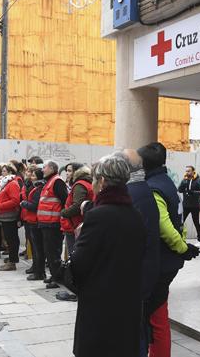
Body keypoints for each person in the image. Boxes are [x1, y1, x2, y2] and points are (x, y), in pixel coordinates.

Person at [70, 153, 146, 357]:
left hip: (100, 307)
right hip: (128, 304)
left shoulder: (97, 216)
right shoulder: (135, 215)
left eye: (94, 179)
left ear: (102, 182)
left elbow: (78, 266)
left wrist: (78, 239)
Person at [138, 142, 200, 357]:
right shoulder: (167, 182)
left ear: (143, 164)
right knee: (159, 313)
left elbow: (164, 226)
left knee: (156, 318)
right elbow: (179, 222)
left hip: (161, 261)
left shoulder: (153, 187)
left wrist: (183, 248)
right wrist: (183, 247)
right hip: (169, 260)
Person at [123, 149, 161, 356]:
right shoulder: (140, 190)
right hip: (140, 273)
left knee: (136, 329)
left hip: (137, 276)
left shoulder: (135, 194)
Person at [36, 161, 68, 288]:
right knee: (49, 252)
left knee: (53, 252)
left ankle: (57, 278)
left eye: (44, 167)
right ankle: (54, 275)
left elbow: (65, 200)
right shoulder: (50, 181)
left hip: (53, 224)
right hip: (46, 223)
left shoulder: (57, 181)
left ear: (52, 168)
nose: (42, 170)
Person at [0, 164, 23, 271]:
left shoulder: (13, 184)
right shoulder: (6, 183)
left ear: (10, 172)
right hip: (5, 216)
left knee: (11, 240)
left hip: (9, 216)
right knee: (9, 239)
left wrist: (0, 206)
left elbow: (15, 201)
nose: (2, 173)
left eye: (5, 171)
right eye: (2, 171)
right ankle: (11, 259)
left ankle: (12, 262)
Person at [60, 165, 93, 254]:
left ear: (76, 172)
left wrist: (63, 212)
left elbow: (77, 206)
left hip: (74, 225)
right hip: (79, 224)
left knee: (74, 254)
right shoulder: (87, 183)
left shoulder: (80, 185)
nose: (67, 173)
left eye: (70, 171)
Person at [21, 167, 45, 280]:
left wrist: (24, 203)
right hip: (31, 219)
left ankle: (39, 272)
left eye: (34, 175)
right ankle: (36, 268)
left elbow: (34, 206)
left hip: (35, 220)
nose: (31, 177)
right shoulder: (35, 188)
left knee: (37, 248)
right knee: (35, 247)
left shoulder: (38, 189)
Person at [178, 165, 200, 247]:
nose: (187, 172)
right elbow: (179, 190)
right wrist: (183, 183)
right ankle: (179, 238)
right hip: (185, 205)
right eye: (186, 171)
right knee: (180, 222)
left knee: (196, 222)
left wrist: (193, 192)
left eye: (189, 171)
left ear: (193, 171)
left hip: (195, 205)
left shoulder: (198, 180)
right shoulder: (184, 180)